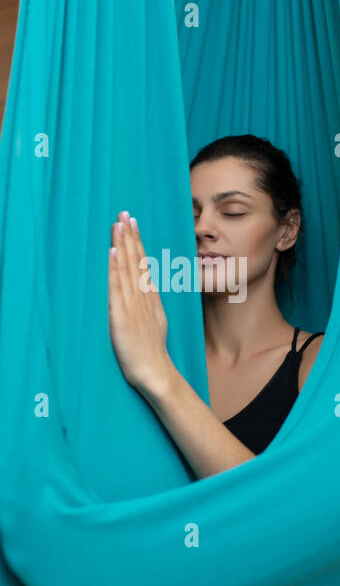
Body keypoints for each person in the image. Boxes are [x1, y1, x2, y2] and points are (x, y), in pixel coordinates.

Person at [108, 134, 324, 479]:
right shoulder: (148, 344)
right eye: (191, 214)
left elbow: (293, 510)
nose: (203, 228)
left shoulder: (316, 363)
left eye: (232, 211)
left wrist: (158, 374)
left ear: (286, 230)